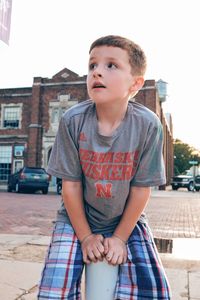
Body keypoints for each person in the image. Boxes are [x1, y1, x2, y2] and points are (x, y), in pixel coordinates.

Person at [38, 35, 171, 299]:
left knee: (152, 289)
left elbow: (141, 189)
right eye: (92, 65)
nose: (97, 71)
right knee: (54, 289)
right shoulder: (73, 120)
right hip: (75, 219)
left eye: (111, 65)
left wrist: (120, 237)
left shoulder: (147, 125)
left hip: (126, 219)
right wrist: (86, 237)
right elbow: (71, 186)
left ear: (135, 83)